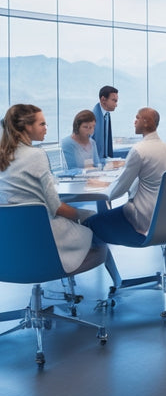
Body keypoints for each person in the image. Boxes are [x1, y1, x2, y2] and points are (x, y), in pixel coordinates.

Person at [0, 104, 95, 273]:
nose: (46, 128)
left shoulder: (4, 156)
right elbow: (56, 207)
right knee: (95, 226)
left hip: (11, 247)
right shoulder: (36, 155)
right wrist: (83, 215)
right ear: (27, 127)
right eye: (42, 124)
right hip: (43, 240)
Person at [84, 107, 166, 245]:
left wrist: (102, 188)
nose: (134, 122)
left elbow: (119, 190)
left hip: (141, 218)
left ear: (145, 122)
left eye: (137, 118)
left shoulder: (139, 150)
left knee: (89, 223)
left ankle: (90, 262)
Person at [92, 85, 118, 161]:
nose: (116, 105)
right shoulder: (91, 118)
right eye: (114, 100)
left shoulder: (106, 115)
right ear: (103, 99)